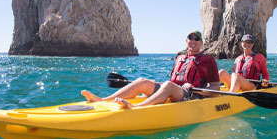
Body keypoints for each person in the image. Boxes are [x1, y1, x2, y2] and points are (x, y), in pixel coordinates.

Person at [81, 31, 220, 108]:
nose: (193, 41)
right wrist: (158, 85)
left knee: (168, 85)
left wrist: (196, 88)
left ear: (201, 43)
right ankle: (102, 100)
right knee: (142, 81)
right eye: (190, 38)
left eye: (197, 39)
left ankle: (136, 107)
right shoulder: (180, 58)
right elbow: (173, 80)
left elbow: (216, 87)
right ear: (186, 41)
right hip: (173, 88)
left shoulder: (208, 60)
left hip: (190, 94)